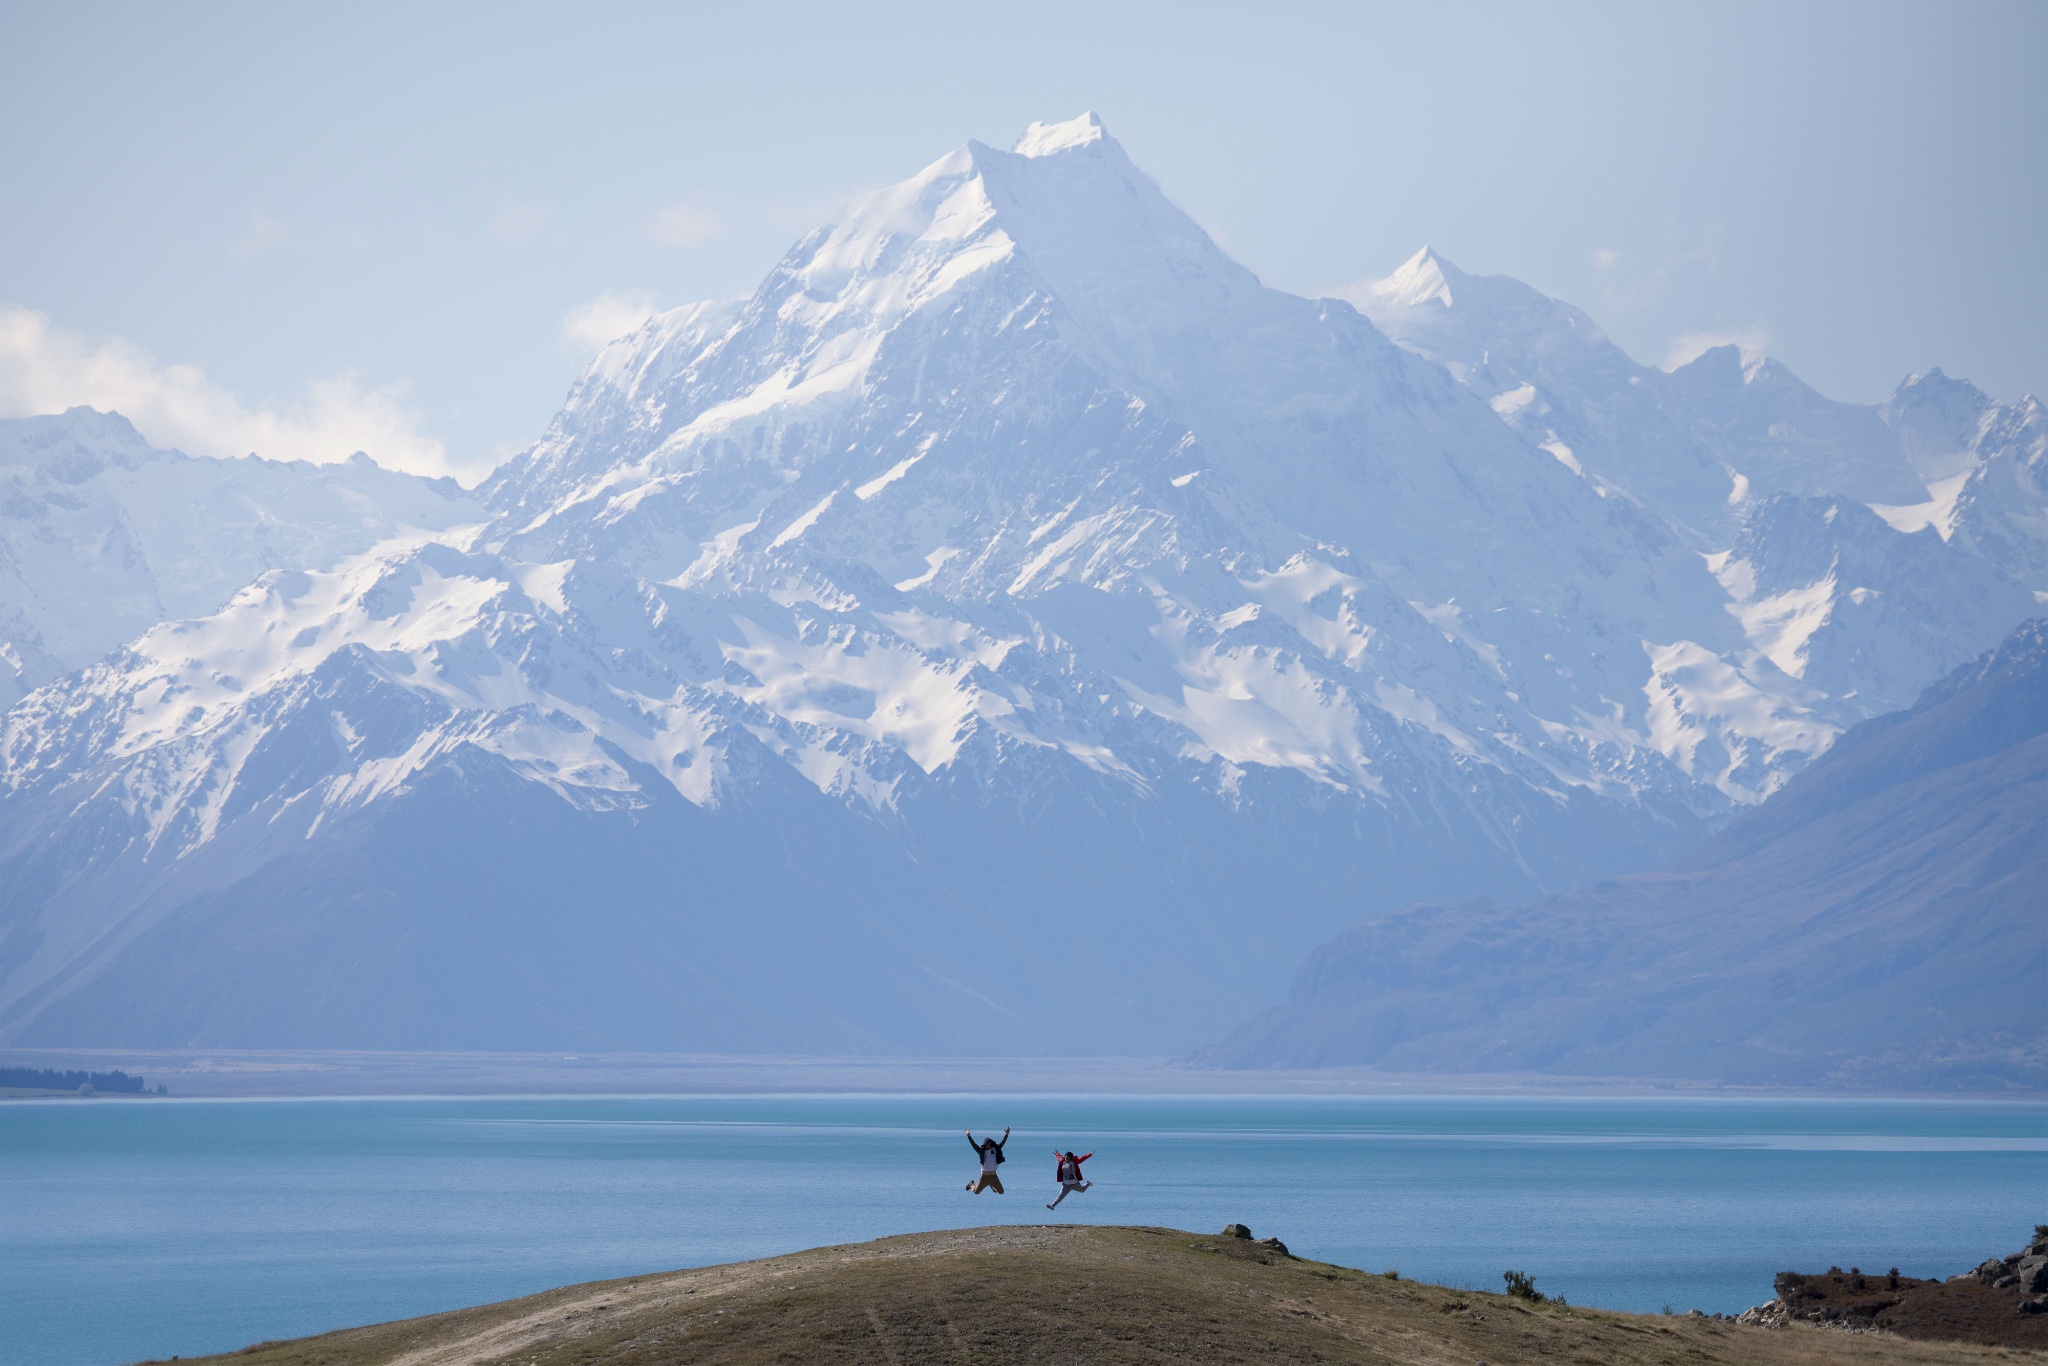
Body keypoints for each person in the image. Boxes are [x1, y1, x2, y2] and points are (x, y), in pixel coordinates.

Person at [964, 1126, 1009, 1194]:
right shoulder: (981, 1151)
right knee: (976, 1192)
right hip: (984, 1177)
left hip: (994, 1177)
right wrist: (968, 1136)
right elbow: (974, 1145)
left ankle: (992, 1185)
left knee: (1001, 1192)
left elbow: (1002, 1143)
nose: (987, 1146)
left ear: (991, 1144)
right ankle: (971, 1184)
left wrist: (1006, 1134)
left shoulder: (995, 1149)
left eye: (988, 1144)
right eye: (985, 1145)